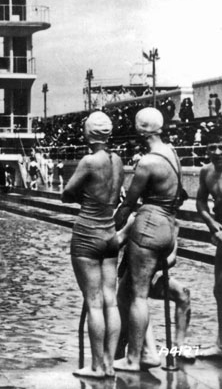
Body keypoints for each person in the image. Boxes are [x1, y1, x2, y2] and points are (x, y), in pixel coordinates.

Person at [113, 107, 183, 371]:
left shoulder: (147, 162)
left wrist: (109, 227)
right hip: (167, 227)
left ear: (141, 128)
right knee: (129, 292)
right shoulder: (172, 153)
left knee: (138, 296)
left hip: (148, 227)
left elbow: (129, 203)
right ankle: (148, 351)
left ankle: (135, 358)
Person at [62, 111, 124, 378]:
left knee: (94, 301)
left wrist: (81, 197)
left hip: (88, 233)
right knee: (111, 301)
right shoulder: (118, 160)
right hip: (110, 233)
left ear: (88, 133)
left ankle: (97, 366)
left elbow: (66, 193)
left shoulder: (89, 161)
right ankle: (110, 363)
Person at [115, 214, 192, 362]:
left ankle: (180, 346)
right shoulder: (137, 218)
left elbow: (172, 257)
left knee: (183, 294)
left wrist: (150, 266)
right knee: (123, 333)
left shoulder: (173, 224)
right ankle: (121, 360)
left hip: (152, 273)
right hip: (128, 277)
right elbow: (118, 240)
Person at [196, 140, 222, 357]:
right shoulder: (207, 171)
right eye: (211, 147)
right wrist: (212, 224)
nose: (217, 152)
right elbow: (201, 201)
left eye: (221, 146)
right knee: (219, 289)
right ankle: (221, 344)